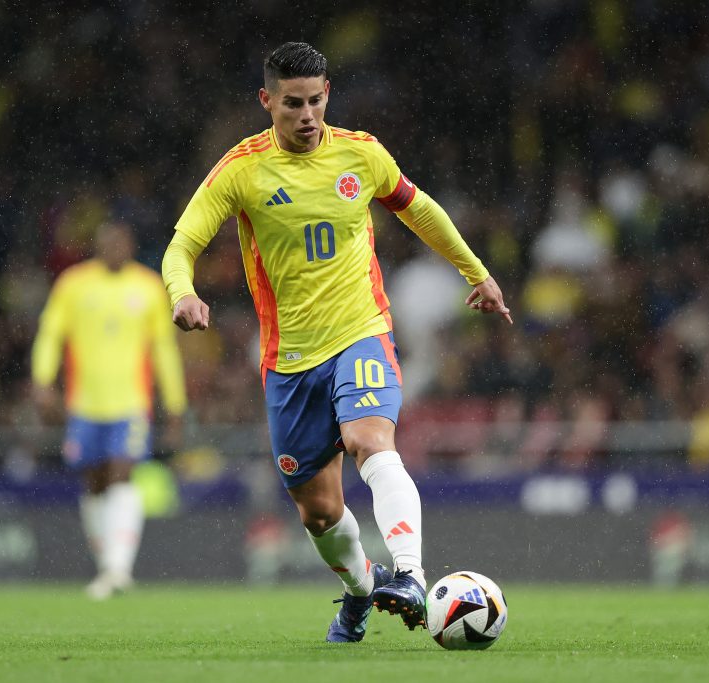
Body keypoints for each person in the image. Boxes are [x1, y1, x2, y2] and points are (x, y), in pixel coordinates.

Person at [161, 42, 511, 641]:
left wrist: (476, 273)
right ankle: (360, 590)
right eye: (291, 103)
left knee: (369, 439)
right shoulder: (242, 169)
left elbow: (418, 209)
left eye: (315, 101)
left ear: (328, 96)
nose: (306, 115)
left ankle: (409, 575)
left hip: (361, 332)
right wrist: (181, 293)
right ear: (266, 101)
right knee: (319, 512)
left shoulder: (362, 154)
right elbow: (182, 244)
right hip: (289, 361)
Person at [32, 221, 187, 600]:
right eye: (107, 242)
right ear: (97, 246)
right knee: (95, 482)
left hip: (131, 405)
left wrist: (175, 405)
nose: (115, 247)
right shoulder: (73, 284)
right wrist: (41, 380)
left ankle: (118, 569)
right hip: (85, 405)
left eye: (121, 241)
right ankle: (108, 566)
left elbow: (164, 349)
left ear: (130, 244)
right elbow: (51, 333)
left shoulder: (149, 287)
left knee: (122, 473)